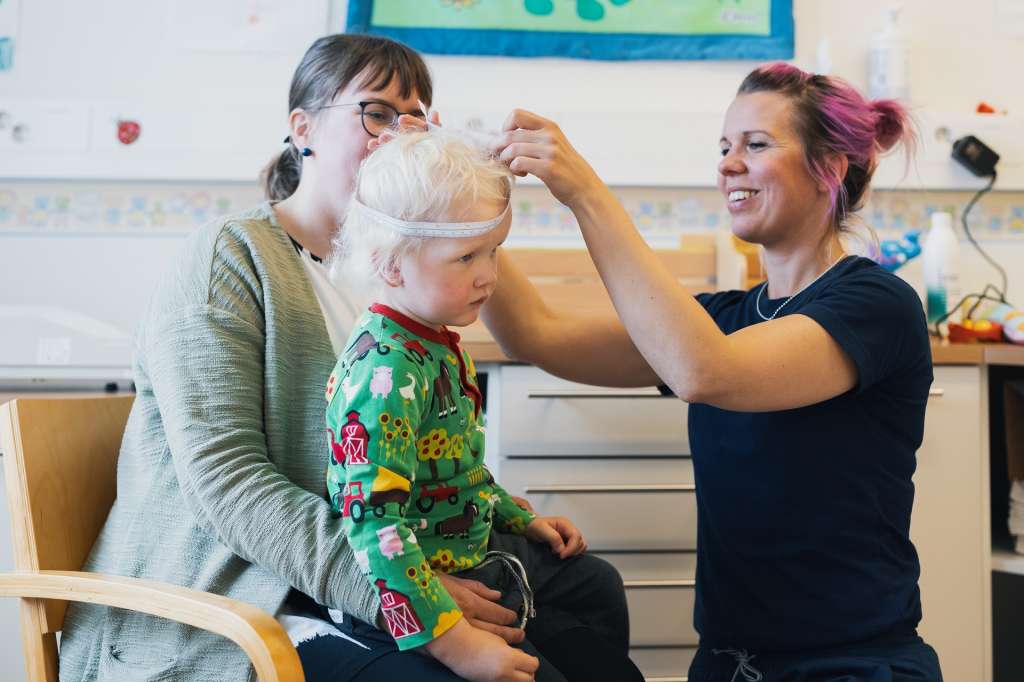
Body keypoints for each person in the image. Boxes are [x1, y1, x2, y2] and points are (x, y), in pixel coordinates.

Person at [57, 34, 643, 682]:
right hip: (248, 593)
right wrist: (406, 600)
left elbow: (410, 451)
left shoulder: (403, 274)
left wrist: (494, 512)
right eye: (378, 113)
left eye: (416, 116)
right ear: (301, 129)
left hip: (378, 552)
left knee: (588, 588)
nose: (400, 135)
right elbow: (228, 485)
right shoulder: (229, 257)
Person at [495, 63, 943, 681]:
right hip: (730, 663)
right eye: (725, 147)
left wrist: (585, 193)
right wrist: (455, 209)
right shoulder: (719, 320)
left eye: (756, 145)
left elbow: (705, 371)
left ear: (830, 169)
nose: (729, 164)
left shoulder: (875, 305)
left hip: (851, 663)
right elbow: (535, 335)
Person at [322, 129, 642, 682]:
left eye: (494, 250)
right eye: (467, 256)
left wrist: (522, 518)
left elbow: (457, 467)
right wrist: (455, 644)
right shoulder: (386, 372)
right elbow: (374, 528)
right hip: (417, 586)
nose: (489, 275)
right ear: (392, 266)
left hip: (473, 543)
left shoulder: (435, 342)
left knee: (598, 585)